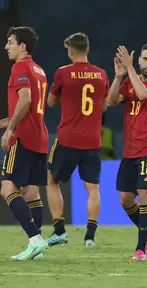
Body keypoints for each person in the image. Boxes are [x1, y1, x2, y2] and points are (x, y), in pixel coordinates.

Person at [107, 43, 147, 260]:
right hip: (130, 149)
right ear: (140, 59)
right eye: (145, 59)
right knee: (125, 199)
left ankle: (141, 248)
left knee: (144, 195)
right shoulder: (129, 80)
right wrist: (118, 77)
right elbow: (111, 101)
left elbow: (143, 96)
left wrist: (130, 69)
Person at [45, 32, 109, 248]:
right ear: (87, 50)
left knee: (52, 180)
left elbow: (51, 102)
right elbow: (103, 106)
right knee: (92, 187)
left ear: (71, 51)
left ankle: (59, 231)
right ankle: (90, 236)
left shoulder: (63, 73)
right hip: (92, 139)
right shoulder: (101, 75)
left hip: (68, 138)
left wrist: (68, 95)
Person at [0, 26, 49, 260]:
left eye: (10, 42)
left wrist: (9, 130)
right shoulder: (39, 70)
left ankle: (35, 239)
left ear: (23, 46)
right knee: (31, 193)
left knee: (7, 187)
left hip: (23, 137)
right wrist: (5, 123)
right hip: (39, 136)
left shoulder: (19, 67)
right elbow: (27, 109)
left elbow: (25, 99)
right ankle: (36, 251)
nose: (6, 46)